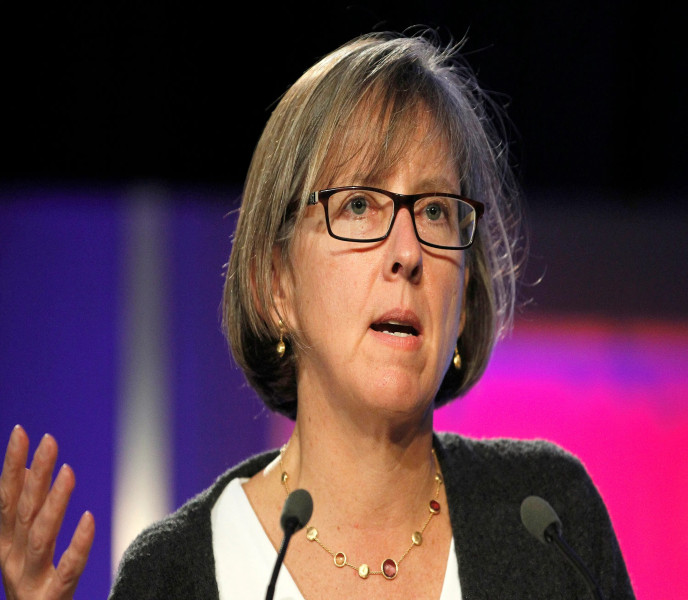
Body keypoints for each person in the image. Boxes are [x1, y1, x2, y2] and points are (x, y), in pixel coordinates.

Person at [1, 31, 635, 599]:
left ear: (465, 293)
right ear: (276, 283)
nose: (408, 253)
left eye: (436, 210)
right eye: (359, 204)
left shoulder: (548, 520)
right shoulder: (173, 575)